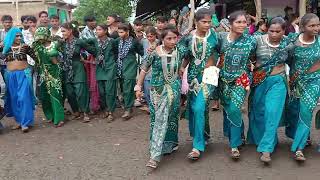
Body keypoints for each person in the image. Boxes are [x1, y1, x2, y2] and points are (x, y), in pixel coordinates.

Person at [135, 25, 183, 169]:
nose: (173, 41)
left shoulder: (179, 50)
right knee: (159, 120)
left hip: (174, 90)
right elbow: (144, 68)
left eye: (175, 38)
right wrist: (138, 86)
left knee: (172, 118)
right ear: (162, 39)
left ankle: (170, 145)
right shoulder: (154, 53)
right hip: (158, 91)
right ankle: (155, 155)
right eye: (169, 38)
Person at [247, 17, 291, 163]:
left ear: (284, 31)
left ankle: (266, 149)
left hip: (278, 80)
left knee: (272, 112)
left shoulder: (289, 43)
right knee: (259, 112)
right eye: (271, 30)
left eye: (278, 31)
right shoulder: (257, 40)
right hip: (259, 80)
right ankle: (266, 139)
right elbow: (246, 55)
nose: (274, 34)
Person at [179, 8, 218, 160]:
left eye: (209, 22)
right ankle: (204, 135)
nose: (207, 25)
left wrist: (215, 64)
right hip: (193, 78)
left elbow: (223, 51)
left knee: (199, 107)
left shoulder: (214, 36)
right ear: (196, 22)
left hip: (208, 78)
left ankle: (197, 146)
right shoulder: (188, 37)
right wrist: (182, 66)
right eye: (204, 22)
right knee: (197, 109)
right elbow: (186, 55)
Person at [217, 11, 256, 159]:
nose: (242, 25)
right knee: (229, 110)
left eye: (244, 22)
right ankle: (239, 135)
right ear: (231, 24)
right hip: (224, 80)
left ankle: (234, 145)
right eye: (238, 22)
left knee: (234, 108)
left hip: (241, 79)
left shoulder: (251, 41)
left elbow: (256, 56)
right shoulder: (221, 39)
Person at [285, 13, 320, 162]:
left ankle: (298, 149)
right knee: (295, 111)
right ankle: (304, 138)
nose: (316, 28)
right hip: (296, 82)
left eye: (318, 25)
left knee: (306, 111)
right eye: (312, 25)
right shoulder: (292, 41)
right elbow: (286, 59)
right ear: (303, 27)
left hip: (315, 81)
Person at [1, 27, 37, 133]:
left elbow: (36, 57)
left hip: (24, 75)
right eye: (16, 36)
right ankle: (18, 121)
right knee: (14, 98)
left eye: (20, 35)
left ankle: (25, 123)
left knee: (23, 97)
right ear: (11, 37)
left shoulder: (25, 47)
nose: (19, 37)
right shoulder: (6, 48)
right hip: (10, 76)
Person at [60, 22, 97, 122]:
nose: (62, 33)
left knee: (81, 91)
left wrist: (87, 58)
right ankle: (76, 112)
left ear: (70, 31)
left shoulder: (79, 42)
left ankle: (85, 112)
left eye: (64, 31)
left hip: (78, 68)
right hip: (67, 69)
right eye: (61, 31)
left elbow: (93, 50)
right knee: (70, 92)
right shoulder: (61, 43)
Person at [32, 27, 64, 127]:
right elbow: (35, 59)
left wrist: (57, 59)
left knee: (56, 95)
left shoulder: (56, 44)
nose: (40, 39)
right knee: (44, 96)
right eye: (39, 37)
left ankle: (59, 118)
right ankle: (50, 115)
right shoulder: (37, 46)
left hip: (54, 73)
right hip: (42, 73)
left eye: (42, 37)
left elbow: (62, 56)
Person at [115, 23, 144, 120]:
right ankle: (128, 105)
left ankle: (128, 109)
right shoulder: (117, 41)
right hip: (120, 67)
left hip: (130, 66)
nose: (120, 34)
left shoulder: (134, 41)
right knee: (123, 88)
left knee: (128, 87)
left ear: (127, 32)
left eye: (122, 32)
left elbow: (142, 52)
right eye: (118, 32)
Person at [95, 24, 117, 122]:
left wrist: (113, 63)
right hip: (99, 69)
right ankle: (105, 109)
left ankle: (111, 112)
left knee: (109, 91)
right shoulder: (95, 41)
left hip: (110, 68)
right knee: (102, 92)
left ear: (105, 31)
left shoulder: (112, 41)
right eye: (96, 30)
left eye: (99, 29)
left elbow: (117, 53)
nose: (97, 31)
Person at [80, 16, 100, 113]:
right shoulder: (84, 32)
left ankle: (97, 103)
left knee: (96, 81)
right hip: (89, 60)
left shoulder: (96, 30)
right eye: (91, 21)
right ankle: (93, 105)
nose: (94, 22)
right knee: (91, 82)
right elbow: (87, 47)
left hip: (97, 58)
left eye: (94, 20)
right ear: (87, 22)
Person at [0, 15, 13, 83]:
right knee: (6, 81)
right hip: (2, 62)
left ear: (12, 23)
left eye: (9, 22)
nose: (7, 24)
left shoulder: (15, 32)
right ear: (2, 23)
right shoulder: (0, 32)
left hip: (13, 61)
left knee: (13, 82)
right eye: (6, 22)